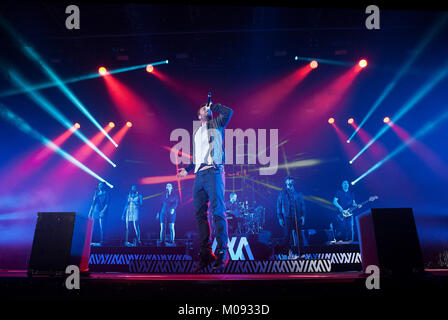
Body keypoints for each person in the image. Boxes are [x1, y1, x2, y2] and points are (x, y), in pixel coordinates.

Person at [178, 101, 233, 271]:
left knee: (218, 211)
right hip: (199, 175)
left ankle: (223, 251)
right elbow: (197, 157)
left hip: (214, 172)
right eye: (203, 109)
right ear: (199, 115)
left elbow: (228, 112)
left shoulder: (216, 123)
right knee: (200, 214)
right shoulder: (196, 132)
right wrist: (187, 170)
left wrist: (213, 106)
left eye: (207, 108)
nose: (206, 110)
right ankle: (206, 254)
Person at [276, 176, 306, 257]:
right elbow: (278, 205)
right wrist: (280, 217)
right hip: (287, 217)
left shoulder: (297, 192)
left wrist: (303, 215)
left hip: (297, 217)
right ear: (286, 182)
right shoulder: (282, 192)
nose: (291, 181)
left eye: (292, 179)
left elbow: (302, 204)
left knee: (299, 235)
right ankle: (286, 253)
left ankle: (301, 253)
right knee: (287, 235)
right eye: (289, 180)